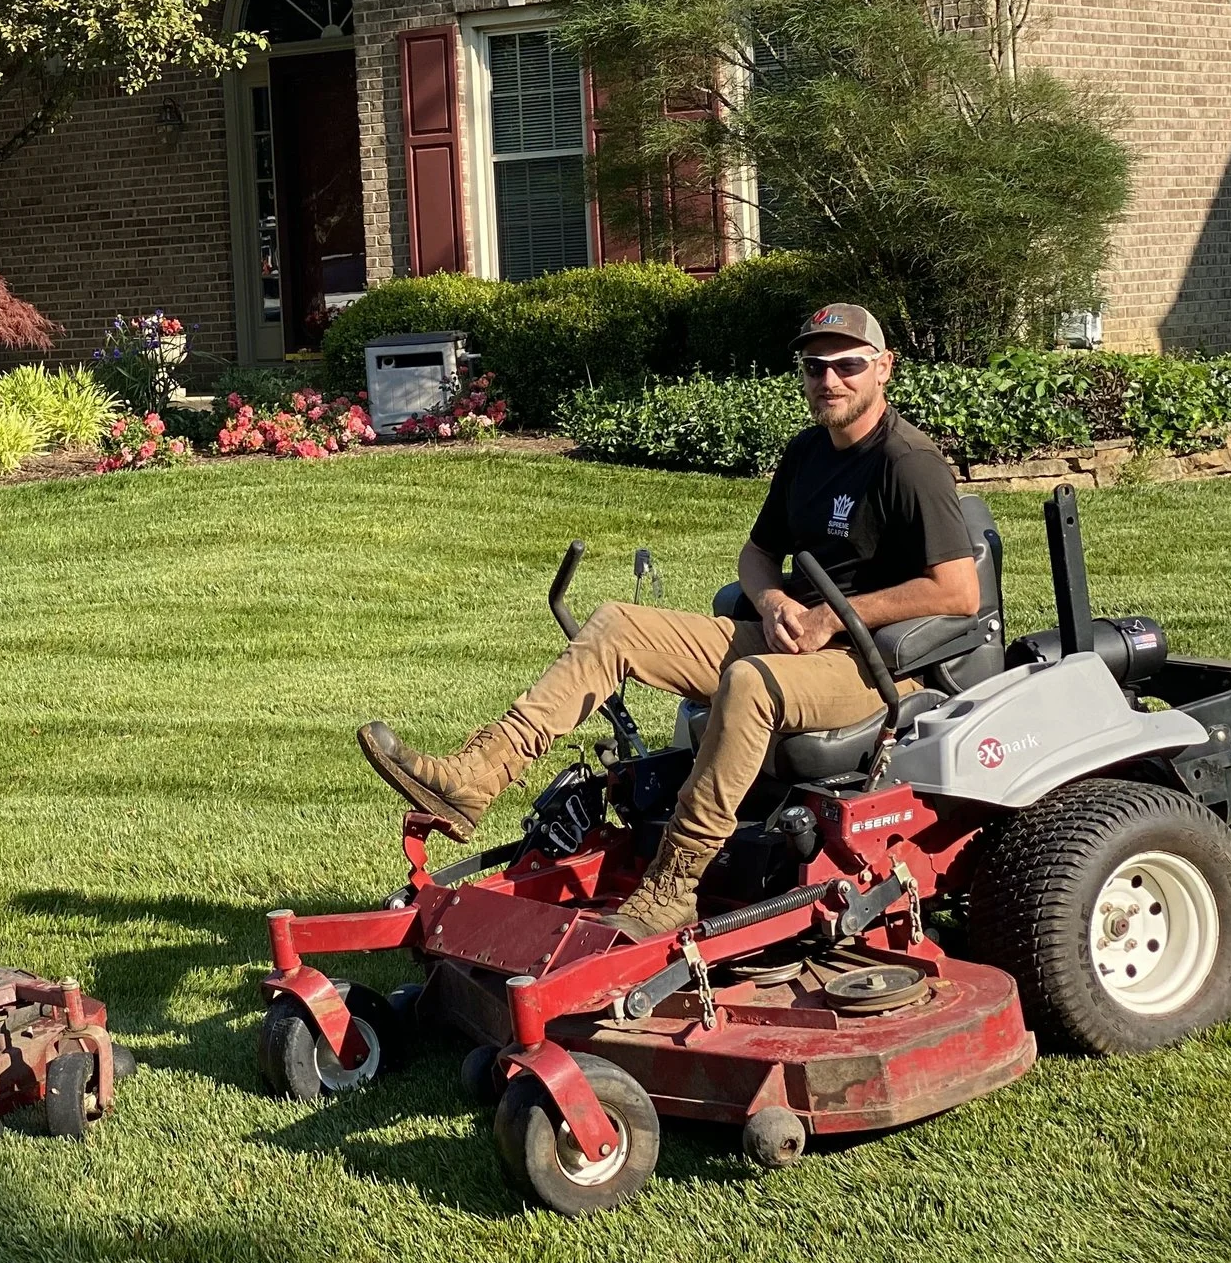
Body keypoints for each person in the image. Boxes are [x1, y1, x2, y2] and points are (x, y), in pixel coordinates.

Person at [357, 302, 980, 938]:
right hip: (792, 636)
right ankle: (475, 777)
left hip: (871, 664)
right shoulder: (807, 453)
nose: (829, 380)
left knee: (749, 683)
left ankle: (674, 884)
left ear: (883, 368)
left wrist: (831, 618)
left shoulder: (908, 462)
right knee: (616, 625)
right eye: (814, 367)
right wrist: (772, 601)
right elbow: (758, 554)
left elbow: (958, 590)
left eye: (847, 365)